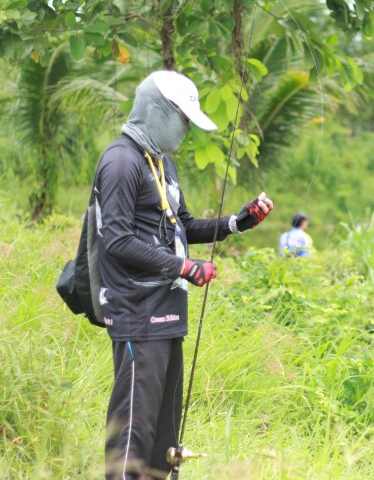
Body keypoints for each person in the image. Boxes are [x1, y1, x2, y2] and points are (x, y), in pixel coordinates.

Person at [95, 70, 274, 480]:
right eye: (184, 119)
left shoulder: (162, 162)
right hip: (137, 316)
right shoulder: (122, 161)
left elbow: (183, 225)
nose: (186, 130)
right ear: (158, 110)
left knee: (163, 438)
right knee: (133, 434)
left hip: (167, 315)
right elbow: (116, 240)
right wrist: (184, 266)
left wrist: (238, 222)